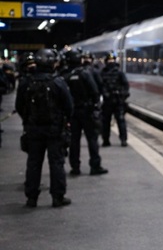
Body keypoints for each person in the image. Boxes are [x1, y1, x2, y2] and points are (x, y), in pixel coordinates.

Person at [15, 48, 73, 208]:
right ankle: (58, 197)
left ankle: (31, 197)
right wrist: (64, 121)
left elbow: (19, 106)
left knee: (33, 163)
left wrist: (28, 120)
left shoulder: (26, 82)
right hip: (55, 130)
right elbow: (69, 106)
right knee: (56, 163)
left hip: (33, 130)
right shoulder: (58, 82)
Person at [61, 48, 108, 176]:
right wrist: (96, 107)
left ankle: (75, 167)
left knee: (74, 141)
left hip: (72, 113)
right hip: (87, 111)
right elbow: (95, 92)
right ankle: (95, 166)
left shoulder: (64, 75)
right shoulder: (85, 73)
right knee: (92, 139)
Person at [100, 53, 129, 147]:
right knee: (106, 122)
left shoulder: (119, 73)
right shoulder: (102, 73)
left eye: (112, 60)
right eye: (109, 60)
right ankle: (106, 140)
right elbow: (100, 85)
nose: (111, 62)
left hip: (118, 100)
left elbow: (125, 86)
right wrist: (104, 93)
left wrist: (122, 95)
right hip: (107, 101)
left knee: (120, 120)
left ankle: (123, 139)